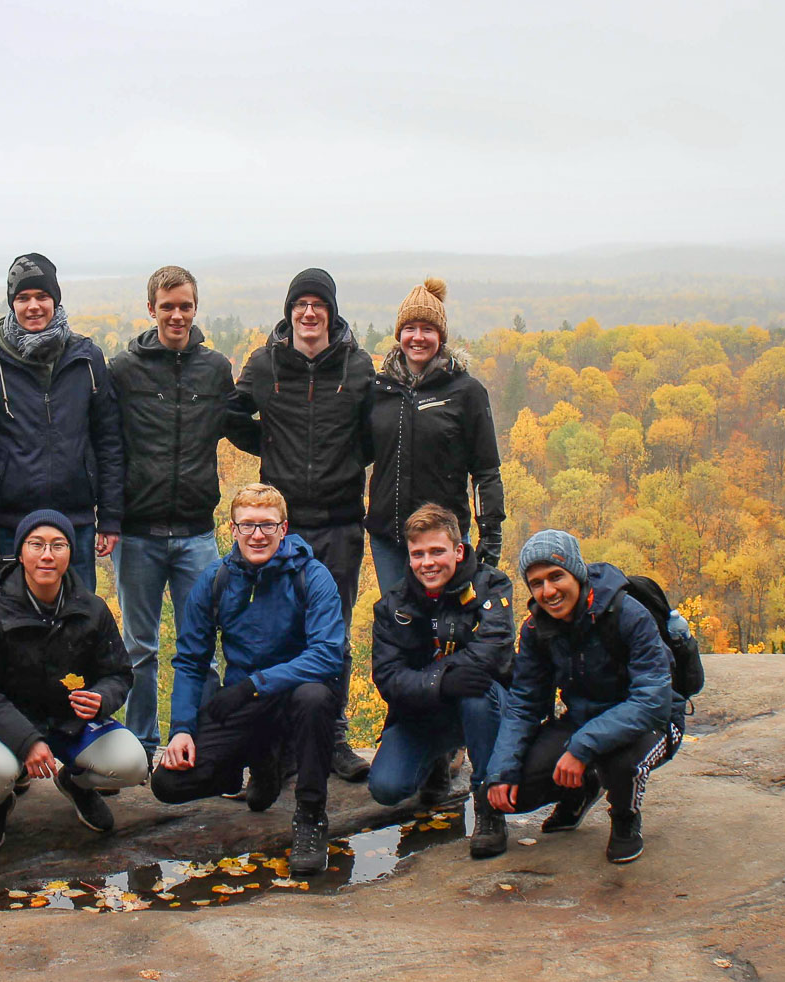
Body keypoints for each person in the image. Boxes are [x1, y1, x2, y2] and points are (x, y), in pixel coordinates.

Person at [150, 483, 349, 875]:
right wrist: (182, 730)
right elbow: (191, 660)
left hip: (294, 695)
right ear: (232, 529)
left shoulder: (312, 576)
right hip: (246, 701)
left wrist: (256, 683)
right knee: (168, 785)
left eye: (267, 526)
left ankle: (310, 817)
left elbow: (327, 654)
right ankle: (262, 760)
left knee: (314, 699)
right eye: (248, 526)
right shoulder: (216, 580)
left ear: (284, 528)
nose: (257, 535)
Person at [226, 268, 374, 782]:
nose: (309, 313)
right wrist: (272, 447)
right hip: (282, 529)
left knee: (332, 636)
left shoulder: (357, 366)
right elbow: (232, 415)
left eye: (318, 304)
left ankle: (331, 736)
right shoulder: (265, 364)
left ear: (331, 312)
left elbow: (372, 432)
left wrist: (345, 464)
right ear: (289, 312)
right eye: (300, 304)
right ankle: (282, 743)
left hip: (339, 523)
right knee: (279, 633)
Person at [485, 530, 686, 864]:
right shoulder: (537, 629)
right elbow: (524, 704)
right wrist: (501, 771)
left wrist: (582, 746)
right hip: (583, 720)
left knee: (622, 765)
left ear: (576, 573)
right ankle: (582, 787)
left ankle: (625, 818)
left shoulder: (627, 614)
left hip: (654, 723)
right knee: (513, 791)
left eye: (556, 576)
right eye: (536, 583)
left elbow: (652, 703)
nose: (548, 591)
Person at [0, 510, 147, 854]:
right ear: (20, 553)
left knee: (133, 765)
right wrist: (27, 740)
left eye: (58, 545)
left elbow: (119, 673)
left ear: (70, 554)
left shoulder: (91, 609)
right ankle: (0, 803)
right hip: (11, 724)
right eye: (37, 545)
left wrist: (101, 698)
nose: (47, 555)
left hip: (71, 723)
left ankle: (75, 783)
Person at [107, 265, 234, 764]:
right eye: (167, 306)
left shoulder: (215, 368)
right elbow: (108, 445)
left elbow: (238, 423)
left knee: (200, 646)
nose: (176, 314)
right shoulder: (124, 369)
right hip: (137, 532)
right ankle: (140, 747)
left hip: (196, 532)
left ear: (195, 307)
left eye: (185, 305)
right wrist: (109, 519)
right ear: (151, 309)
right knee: (138, 648)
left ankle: (203, 746)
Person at [0, 253, 123, 592]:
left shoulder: (87, 358)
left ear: (55, 300)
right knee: (14, 630)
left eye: (42, 296)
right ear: (11, 303)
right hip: (9, 526)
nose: (33, 306)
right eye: (23, 298)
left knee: (78, 626)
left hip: (74, 523)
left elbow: (108, 442)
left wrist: (109, 517)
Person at [367, 503, 514, 859]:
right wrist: (443, 681)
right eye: (418, 554)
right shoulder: (393, 606)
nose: (427, 563)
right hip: (425, 712)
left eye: (437, 551)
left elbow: (494, 652)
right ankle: (436, 763)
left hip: (485, 707)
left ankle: (488, 805)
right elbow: (388, 677)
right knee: (387, 788)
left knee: (476, 693)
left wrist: (436, 677)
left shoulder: (490, 585)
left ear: (458, 550)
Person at [365, 277, 503, 596]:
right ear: (398, 334)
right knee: (400, 632)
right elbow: (357, 454)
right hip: (390, 540)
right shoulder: (379, 390)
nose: (418, 337)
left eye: (427, 329)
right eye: (409, 328)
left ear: (440, 336)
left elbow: (486, 472)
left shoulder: (466, 392)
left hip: (445, 543)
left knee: (450, 633)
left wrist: (491, 536)